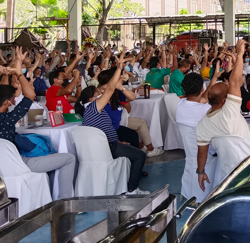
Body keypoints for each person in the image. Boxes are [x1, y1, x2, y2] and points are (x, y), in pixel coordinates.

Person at [0, 48, 76, 199]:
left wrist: (15, 66)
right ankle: (65, 201)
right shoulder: (8, 119)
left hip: (4, 168)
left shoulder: (7, 118)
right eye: (11, 99)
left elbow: (2, 91)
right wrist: (19, 73)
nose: (13, 101)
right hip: (20, 163)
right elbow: (30, 95)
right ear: (7, 102)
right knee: (69, 158)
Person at [79, 48, 147, 194]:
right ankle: (132, 189)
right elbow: (110, 89)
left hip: (108, 144)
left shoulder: (93, 109)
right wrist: (118, 68)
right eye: (98, 93)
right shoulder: (94, 106)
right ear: (90, 99)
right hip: (106, 148)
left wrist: (118, 142)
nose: (102, 94)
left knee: (132, 142)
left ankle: (130, 182)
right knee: (140, 155)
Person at [196, 40, 250, 192]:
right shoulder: (229, 112)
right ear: (225, 101)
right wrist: (240, 54)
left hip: (227, 172)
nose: (232, 90)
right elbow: (235, 82)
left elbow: (202, 152)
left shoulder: (202, 124)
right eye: (228, 91)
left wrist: (201, 172)